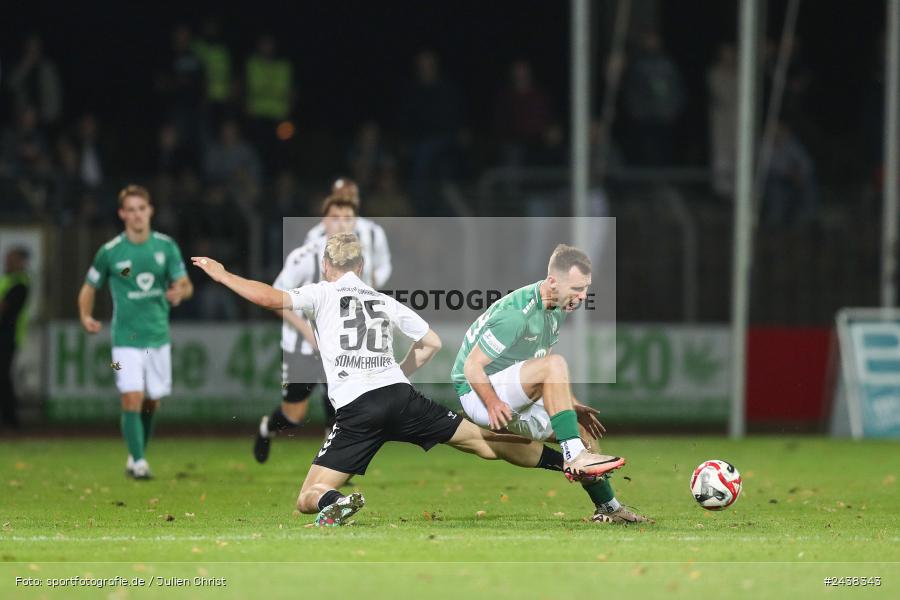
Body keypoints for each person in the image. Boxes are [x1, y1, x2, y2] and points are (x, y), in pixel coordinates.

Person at [191, 233, 625, 526]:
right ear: (361, 266)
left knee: (308, 497)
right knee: (484, 442)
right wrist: (398, 374)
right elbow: (430, 342)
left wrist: (223, 274)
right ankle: (566, 463)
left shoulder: (321, 292)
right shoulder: (381, 300)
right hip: (402, 398)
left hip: (358, 410)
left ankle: (334, 502)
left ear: (326, 265)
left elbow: (270, 298)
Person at [451, 244, 652, 524]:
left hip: (513, 392)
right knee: (554, 365)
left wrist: (569, 405)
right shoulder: (516, 314)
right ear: (553, 282)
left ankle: (609, 508)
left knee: (582, 431)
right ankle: (574, 456)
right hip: (478, 392)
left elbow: (540, 371)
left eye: (586, 288)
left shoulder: (556, 308)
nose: (583, 296)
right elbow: (471, 366)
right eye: (577, 288)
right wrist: (492, 403)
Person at [78, 185, 193, 479]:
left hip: (158, 337)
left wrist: (180, 292)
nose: (137, 215)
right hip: (124, 341)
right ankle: (140, 462)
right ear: (122, 214)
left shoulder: (166, 247)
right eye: (131, 210)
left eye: (141, 208)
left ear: (150, 211)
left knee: (152, 400)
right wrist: (86, 315)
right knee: (131, 396)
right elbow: (89, 287)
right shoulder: (110, 252)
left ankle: (135, 454)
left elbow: (186, 284)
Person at [253, 194, 357, 462]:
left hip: (337, 348)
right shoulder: (305, 257)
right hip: (301, 346)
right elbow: (276, 298)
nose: (342, 224)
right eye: (335, 218)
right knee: (294, 416)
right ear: (324, 222)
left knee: (340, 408)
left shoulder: (357, 260)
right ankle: (267, 427)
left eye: (347, 218)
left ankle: (332, 467)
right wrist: (307, 331)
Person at [303, 178, 392, 288]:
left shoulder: (373, 232)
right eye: (341, 195)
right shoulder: (316, 234)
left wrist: (373, 284)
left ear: (358, 200)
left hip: (362, 294)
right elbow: (306, 268)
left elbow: (383, 265)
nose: (346, 199)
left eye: (351, 195)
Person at [0, 247, 30, 430]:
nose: (7, 262)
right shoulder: (7, 280)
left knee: (3, 375)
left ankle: (10, 418)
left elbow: (4, 308)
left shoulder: (20, 284)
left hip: (8, 336)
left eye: (12, 259)